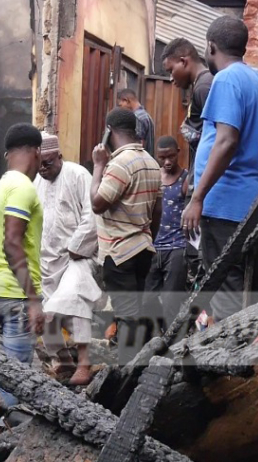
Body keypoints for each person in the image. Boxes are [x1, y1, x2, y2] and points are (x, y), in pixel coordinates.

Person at [181, 15, 258, 321]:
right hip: (253, 203)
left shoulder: (226, 79)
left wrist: (197, 197)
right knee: (251, 286)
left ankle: (226, 364)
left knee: (226, 291)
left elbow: (226, 141)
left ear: (210, 47)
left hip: (226, 205)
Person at [91, 108, 162, 367]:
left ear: (109, 131)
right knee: (138, 315)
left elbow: (97, 203)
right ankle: (140, 367)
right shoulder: (152, 163)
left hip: (119, 253)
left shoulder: (120, 164)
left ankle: (127, 374)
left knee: (127, 317)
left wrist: (98, 166)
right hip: (143, 249)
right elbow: (157, 211)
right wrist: (146, 238)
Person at [0, 124, 45, 388]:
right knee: (15, 382)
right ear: (38, 152)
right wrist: (33, 300)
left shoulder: (1, 185)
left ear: (7, 154)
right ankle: (2, 427)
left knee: (0, 372)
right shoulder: (23, 187)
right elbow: (11, 243)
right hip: (14, 294)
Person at [34, 133, 99, 386]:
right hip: (47, 258)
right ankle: (62, 360)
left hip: (77, 255)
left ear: (59, 156)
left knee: (76, 298)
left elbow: (92, 213)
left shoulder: (78, 174)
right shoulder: (36, 182)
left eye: (48, 163)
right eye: (39, 163)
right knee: (45, 308)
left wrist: (77, 246)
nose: (42, 168)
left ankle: (85, 362)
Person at [162, 38, 214, 294]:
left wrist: (196, 186)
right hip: (196, 184)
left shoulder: (205, 86)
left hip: (202, 191)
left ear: (185, 60)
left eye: (171, 70)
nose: (171, 78)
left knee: (200, 259)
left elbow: (213, 139)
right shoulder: (200, 86)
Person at [144, 136, 190, 329]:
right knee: (146, 299)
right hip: (153, 246)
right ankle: (152, 339)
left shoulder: (186, 179)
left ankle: (171, 343)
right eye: (162, 158)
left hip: (177, 247)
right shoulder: (154, 178)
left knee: (171, 301)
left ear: (178, 152)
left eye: (171, 156)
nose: (167, 162)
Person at [117, 88, 157, 156]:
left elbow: (138, 146)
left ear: (126, 100)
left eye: (120, 105)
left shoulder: (137, 118)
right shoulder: (146, 116)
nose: (121, 108)